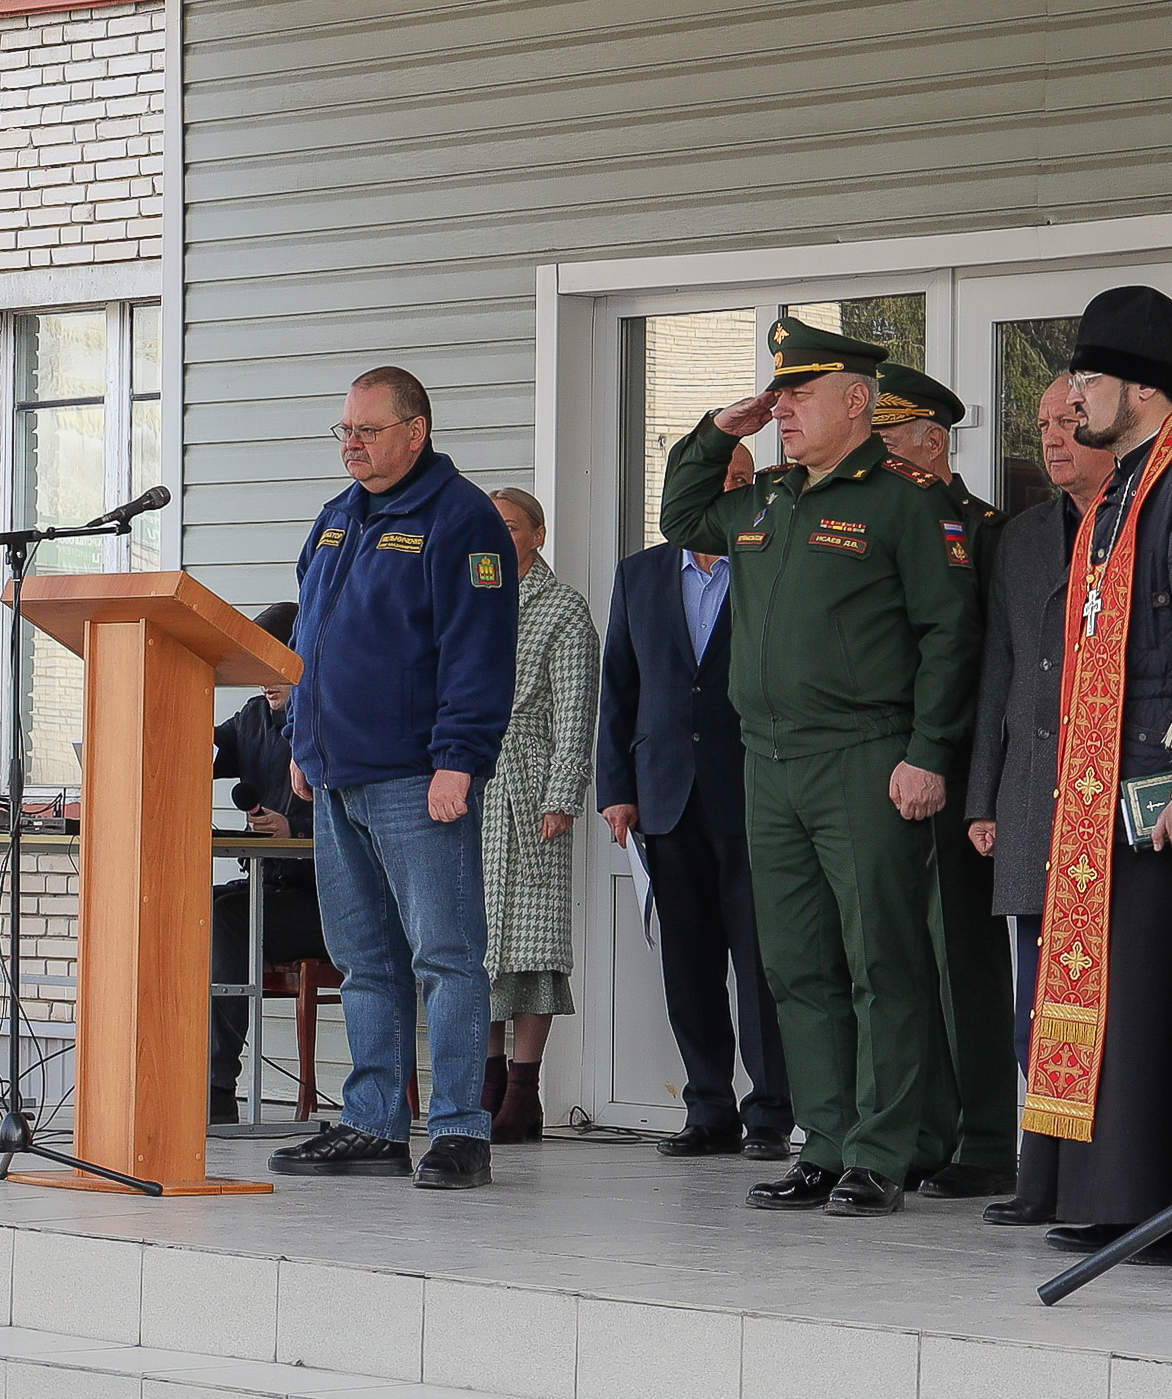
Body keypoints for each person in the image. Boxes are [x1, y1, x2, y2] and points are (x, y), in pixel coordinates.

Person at [659, 315, 979, 1217]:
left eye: (797, 395)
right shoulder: (765, 498)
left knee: (881, 957)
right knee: (797, 963)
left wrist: (928, 753)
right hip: (769, 761)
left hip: (866, 757)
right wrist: (721, 429)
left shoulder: (906, 502)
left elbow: (948, 636)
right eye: (778, 394)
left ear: (854, 401)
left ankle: (884, 1147)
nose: (783, 410)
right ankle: (826, 1141)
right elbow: (680, 515)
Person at [1011, 294, 1172, 1249]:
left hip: (1156, 790)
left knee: (1153, 998)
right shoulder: (1122, 485)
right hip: (1099, 786)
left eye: (1088, 383)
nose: (1071, 402)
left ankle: (1149, 1197)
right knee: (1107, 992)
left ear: (1139, 388)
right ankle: (1103, 1193)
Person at [273, 365, 520, 1190]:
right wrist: (303, 746)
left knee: (446, 958)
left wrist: (458, 759)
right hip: (338, 778)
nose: (351, 444)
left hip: (420, 779)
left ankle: (457, 1129)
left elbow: (477, 653)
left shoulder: (462, 521)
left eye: (367, 431)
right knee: (364, 962)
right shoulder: (338, 517)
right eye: (342, 431)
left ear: (415, 431)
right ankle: (373, 1124)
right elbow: (307, 639)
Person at [600, 442, 790, 1160]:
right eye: (722, 482)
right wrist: (616, 791)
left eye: (745, 482)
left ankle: (770, 1111)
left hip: (756, 794)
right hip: (665, 798)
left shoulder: (770, 562)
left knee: (763, 964)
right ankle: (708, 1106)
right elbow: (619, 687)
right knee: (688, 966)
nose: (735, 493)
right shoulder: (638, 574)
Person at [965, 376, 1113, 1222]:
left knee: (1104, 998)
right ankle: (1046, 1170)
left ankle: (1102, 1176)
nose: (1054, 439)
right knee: (1034, 1003)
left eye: (1070, 423)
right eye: (1043, 425)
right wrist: (983, 792)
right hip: (1030, 795)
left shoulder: (1137, 520)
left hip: (1108, 798)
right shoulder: (1020, 537)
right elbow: (1000, 672)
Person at [875, 361, 1016, 1198]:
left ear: (932, 442)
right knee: (898, 957)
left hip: (955, 768)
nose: (881, 457)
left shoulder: (980, 527)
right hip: (880, 765)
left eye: (890, 442)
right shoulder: (875, 513)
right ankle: (922, 1129)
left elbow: (981, 661)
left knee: (961, 955)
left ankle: (986, 1137)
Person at [479, 488, 597, 1144]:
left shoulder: (563, 609)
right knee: (475, 948)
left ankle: (523, 1092)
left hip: (528, 789)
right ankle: (486, 1082)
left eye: (508, 525)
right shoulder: (469, 599)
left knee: (529, 948)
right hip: (467, 789)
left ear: (537, 533)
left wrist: (562, 793)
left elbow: (576, 711)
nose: (495, 536)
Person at [208, 599, 319, 1124]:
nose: (264, 679)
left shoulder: (330, 716)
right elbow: (206, 751)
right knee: (193, 904)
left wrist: (293, 827)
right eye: (254, 665)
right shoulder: (251, 718)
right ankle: (177, 1070)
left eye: (274, 663)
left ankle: (216, 1088)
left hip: (325, 901)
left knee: (228, 917)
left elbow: (363, 821)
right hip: (266, 888)